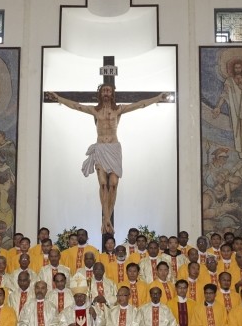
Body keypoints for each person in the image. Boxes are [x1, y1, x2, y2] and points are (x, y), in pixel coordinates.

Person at [46, 85, 169, 234]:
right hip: (101, 149)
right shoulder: (95, 110)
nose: (106, 93)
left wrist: (157, 98)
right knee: (103, 184)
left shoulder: (119, 110)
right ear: (100, 93)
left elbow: (139, 104)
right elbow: (76, 106)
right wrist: (58, 98)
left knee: (114, 184)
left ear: (112, 94)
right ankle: (107, 221)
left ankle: (106, 219)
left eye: (108, 91)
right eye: (103, 90)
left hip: (114, 149)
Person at [211, 58, 242, 159]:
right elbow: (224, 95)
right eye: (236, 68)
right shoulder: (229, 81)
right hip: (235, 112)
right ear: (233, 69)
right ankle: (241, 157)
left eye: (239, 67)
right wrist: (218, 107)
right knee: (237, 134)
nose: (238, 69)